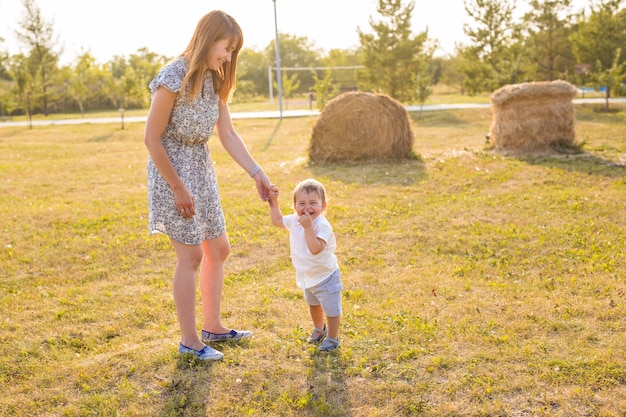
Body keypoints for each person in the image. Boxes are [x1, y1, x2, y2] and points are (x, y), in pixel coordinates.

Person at [144, 10, 271, 361]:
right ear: (207, 38)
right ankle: (189, 341)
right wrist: (177, 187)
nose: (228, 57)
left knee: (219, 249)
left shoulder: (215, 81)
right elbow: (151, 138)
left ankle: (213, 326)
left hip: (201, 168)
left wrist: (257, 172)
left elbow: (227, 133)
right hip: (171, 172)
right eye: (226, 48)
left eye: (233, 51)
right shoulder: (173, 76)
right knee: (191, 255)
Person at [268, 179, 343, 351]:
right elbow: (277, 220)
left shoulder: (322, 225)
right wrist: (274, 202)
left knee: (331, 309)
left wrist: (308, 228)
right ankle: (319, 329)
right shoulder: (295, 220)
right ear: (295, 206)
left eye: (313, 203)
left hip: (326, 276)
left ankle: (332, 338)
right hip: (308, 275)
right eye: (302, 203)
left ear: (323, 206)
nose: (307, 208)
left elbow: (315, 248)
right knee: (313, 304)